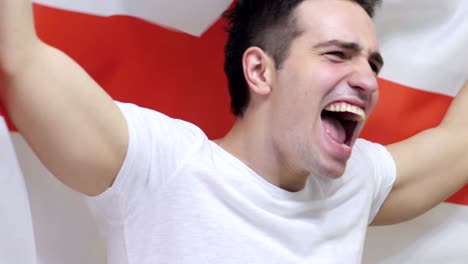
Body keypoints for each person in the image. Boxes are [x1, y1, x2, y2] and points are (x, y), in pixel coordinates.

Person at [0, 0, 467, 263]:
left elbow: (456, 145)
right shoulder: (164, 166)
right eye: (337, 54)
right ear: (260, 71)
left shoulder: (352, 187)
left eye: (373, 63)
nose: (368, 80)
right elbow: (21, 59)